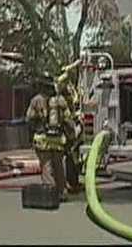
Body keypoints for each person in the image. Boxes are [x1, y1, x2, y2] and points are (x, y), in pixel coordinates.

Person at [25, 78, 71, 202]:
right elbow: (68, 119)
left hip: (42, 139)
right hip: (58, 140)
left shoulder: (36, 100)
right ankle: (62, 192)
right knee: (59, 167)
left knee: (47, 168)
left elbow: (28, 118)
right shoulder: (60, 100)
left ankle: (51, 194)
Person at [56, 61, 83, 194]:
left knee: (75, 156)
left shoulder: (71, 90)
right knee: (70, 155)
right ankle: (69, 182)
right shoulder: (61, 95)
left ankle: (74, 181)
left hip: (73, 124)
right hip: (67, 128)